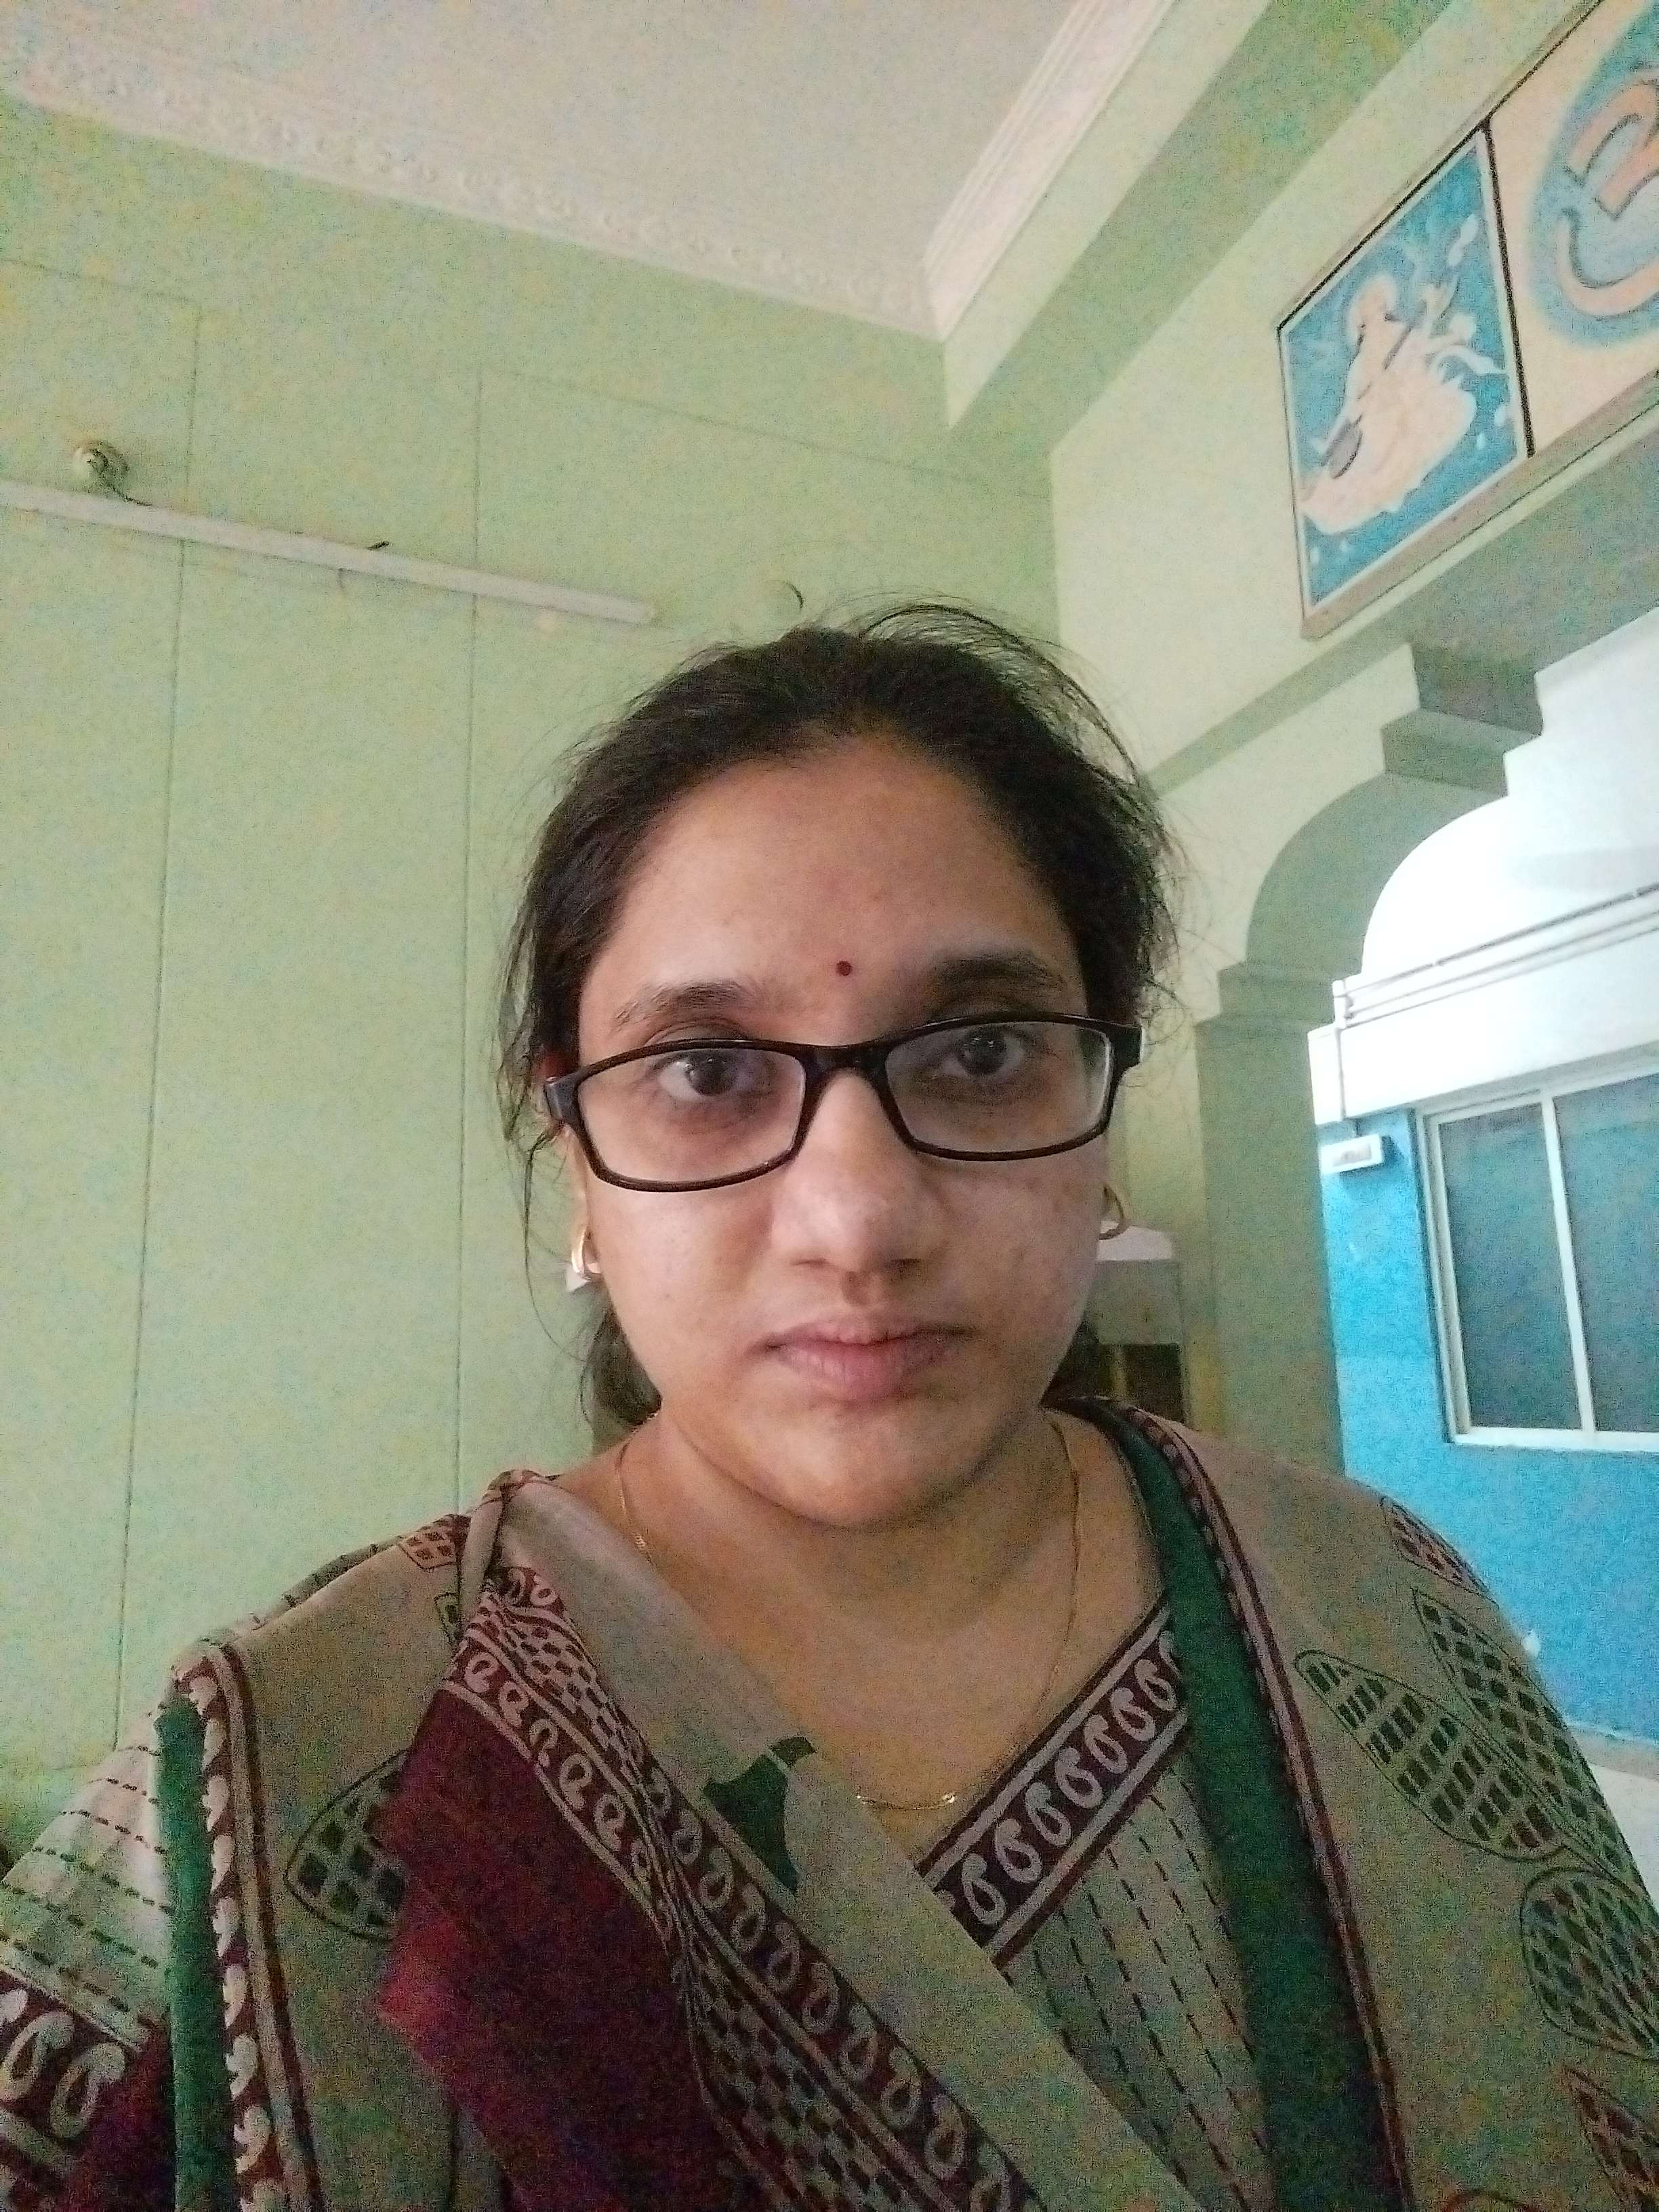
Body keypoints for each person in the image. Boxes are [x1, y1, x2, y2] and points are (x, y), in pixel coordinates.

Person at [3, 607, 1654, 2212]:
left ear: (1099, 1117)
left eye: (982, 1053)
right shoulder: (283, 1758)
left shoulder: (1391, 1617)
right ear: (578, 1164)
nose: (858, 1222)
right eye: (708, 1074)